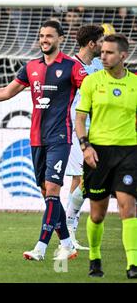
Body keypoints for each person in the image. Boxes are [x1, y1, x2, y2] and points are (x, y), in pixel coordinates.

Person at [0, 20, 86, 261]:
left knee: (52, 190)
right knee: (47, 194)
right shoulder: (31, 67)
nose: (44, 40)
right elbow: (6, 92)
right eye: (41, 36)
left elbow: (91, 91)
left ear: (60, 38)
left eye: (49, 36)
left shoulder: (72, 67)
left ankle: (41, 247)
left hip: (60, 137)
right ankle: (68, 243)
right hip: (37, 138)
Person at [75, 34, 137, 279]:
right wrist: (85, 146)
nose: (103, 56)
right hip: (97, 153)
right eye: (102, 52)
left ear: (123, 55)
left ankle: (132, 264)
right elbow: (80, 118)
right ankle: (95, 257)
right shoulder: (91, 82)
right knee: (97, 214)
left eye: (109, 52)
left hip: (129, 152)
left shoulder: (135, 83)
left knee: (128, 209)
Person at [64, 24, 105, 251]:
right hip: (76, 130)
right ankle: (68, 233)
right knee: (79, 179)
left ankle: (69, 231)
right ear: (91, 43)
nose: (104, 45)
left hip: (99, 130)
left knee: (87, 180)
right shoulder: (70, 66)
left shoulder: (99, 65)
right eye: (101, 41)